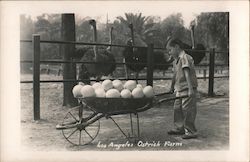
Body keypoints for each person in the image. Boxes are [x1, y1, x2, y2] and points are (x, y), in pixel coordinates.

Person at [166, 38, 198, 139]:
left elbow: (187, 73)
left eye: (170, 50)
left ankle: (191, 131)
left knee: (187, 109)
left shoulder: (185, 57)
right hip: (179, 89)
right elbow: (175, 75)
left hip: (187, 87)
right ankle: (179, 128)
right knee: (177, 108)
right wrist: (172, 87)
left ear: (176, 47)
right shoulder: (176, 61)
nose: (169, 53)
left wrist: (190, 89)